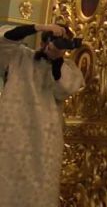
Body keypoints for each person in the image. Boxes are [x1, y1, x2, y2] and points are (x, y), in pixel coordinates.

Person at [0, 23, 85, 207]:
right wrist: (39, 27)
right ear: (42, 41)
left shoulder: (68, 70)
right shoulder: (20, 56)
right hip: (12, 136)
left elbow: (63, 90)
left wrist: (56, 60)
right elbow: (5, 39)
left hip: (45, 141)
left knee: (41, 193)